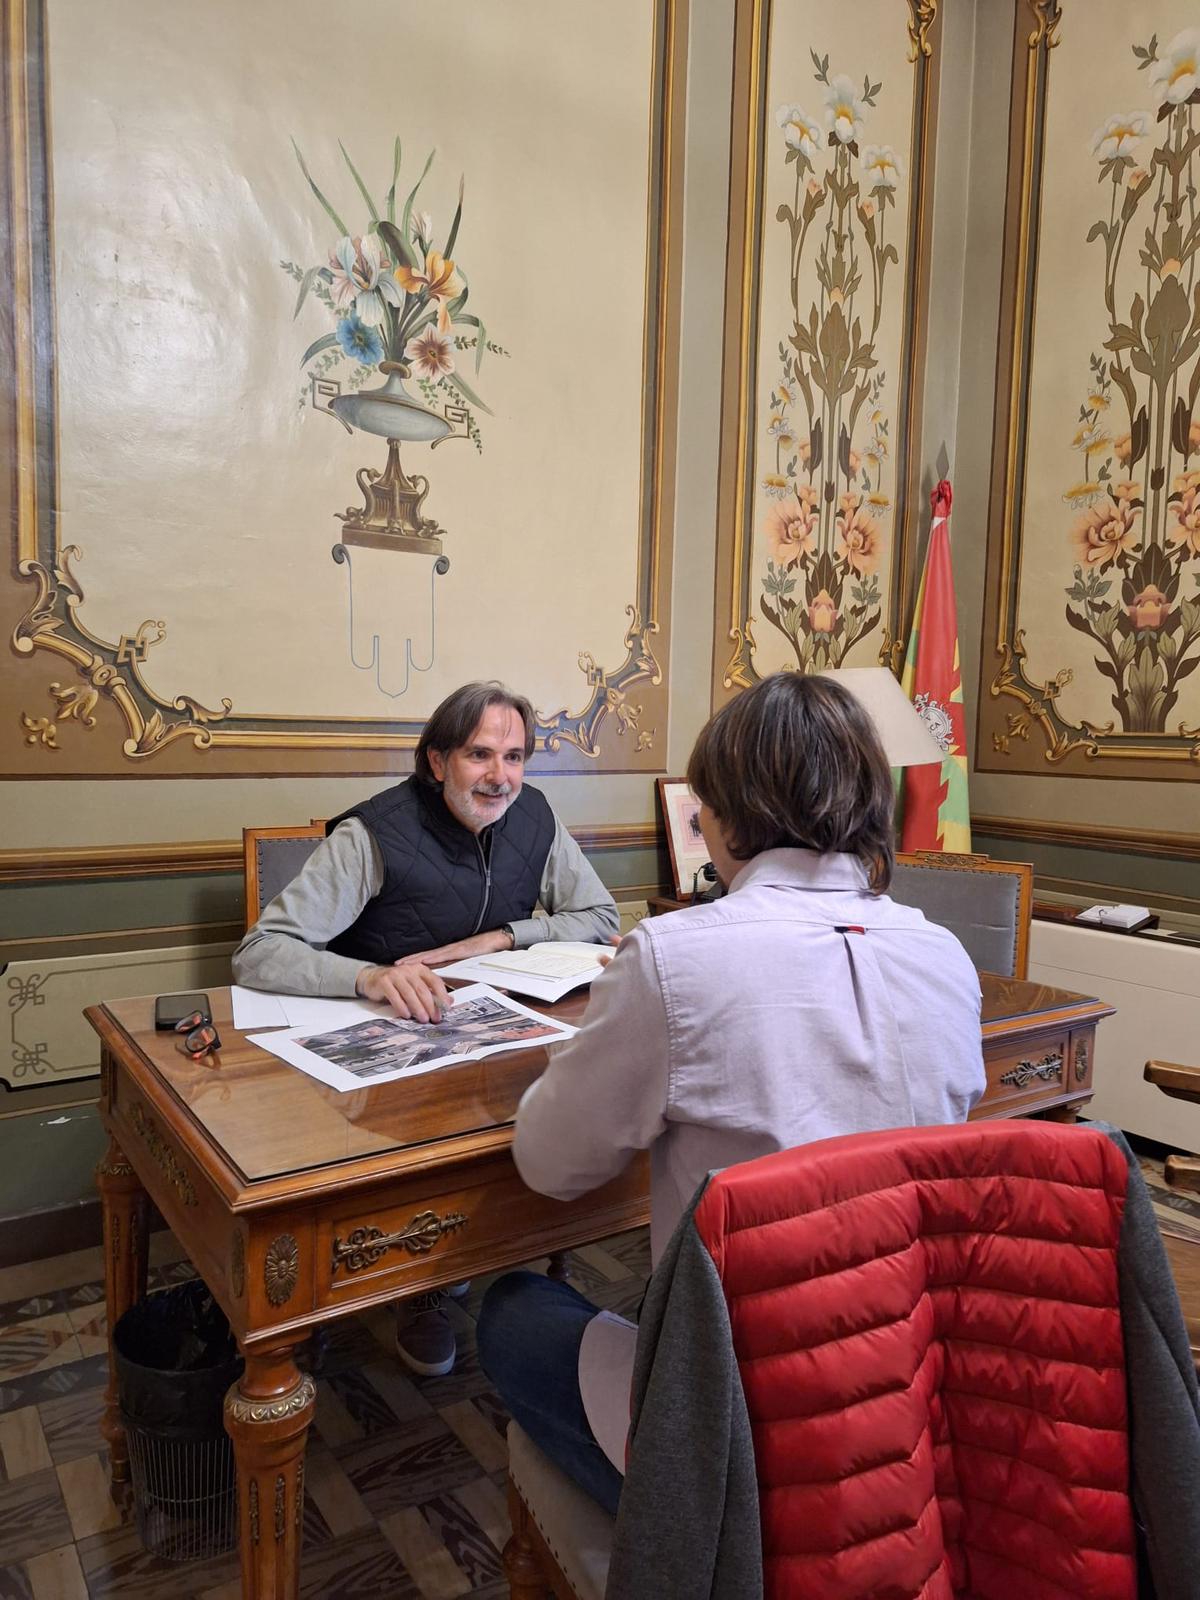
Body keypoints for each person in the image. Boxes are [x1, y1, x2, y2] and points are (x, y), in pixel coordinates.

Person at [477, 672, 986, 1515]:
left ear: (720, 814)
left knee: (514, 1309)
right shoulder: (942, 954)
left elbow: (550, 1166)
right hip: (907, 1383)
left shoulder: (675, 957)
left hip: (741, 1432)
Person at [233, 680, 620, 1376]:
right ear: (438, 762)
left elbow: (600, 918)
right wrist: (368, 976)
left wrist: (500, 937)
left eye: (515, 756)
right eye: (479, 755)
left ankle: (462, 1261)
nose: (500, 777)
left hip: (486, 1035)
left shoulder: (534, 817)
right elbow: (260, 951)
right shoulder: (372, 833)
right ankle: (421, 1289)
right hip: (380, 1049)